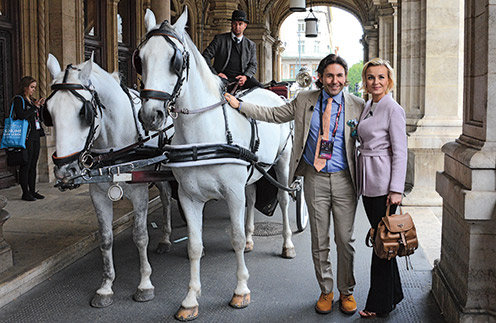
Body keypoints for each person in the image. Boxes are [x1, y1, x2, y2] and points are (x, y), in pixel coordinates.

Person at [224, 54, 365, 315]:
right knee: (319, 240)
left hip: (346, 179)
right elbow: (273, 114)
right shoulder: (303, 100)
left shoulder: (358, 105)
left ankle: (347, 291)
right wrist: (239, 105)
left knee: (345, 240)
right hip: (315, 179)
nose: (335, 81)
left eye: (340, 76)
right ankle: (326, 290)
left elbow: (376, 138)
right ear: (320, 78)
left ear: (345, 79)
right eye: (330, 76)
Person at [355, 58, 407, 318]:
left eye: (381, 77)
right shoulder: (368, 105)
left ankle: (379, 303)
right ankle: (394, 294)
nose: (375, 82)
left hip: (385, 186)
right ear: (365, 81)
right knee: (384, 242)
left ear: (389, 80)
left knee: (381, 245)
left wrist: (396, 189)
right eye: (371, 77)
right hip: (368, 182)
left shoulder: (392, 108)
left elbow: (400, 152)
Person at [202, 9, 263, 91]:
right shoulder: (220, 39)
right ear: (231, 24)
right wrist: (215, 74)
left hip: (242, 78)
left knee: (261, 90)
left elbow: (253, 65)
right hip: (222, 78)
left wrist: (245, 77)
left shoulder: (251, 45)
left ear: (245, 26)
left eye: (240, 24)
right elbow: (205, 56)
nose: (237, 27)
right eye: (235, 24)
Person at [12, 76, 45, 201]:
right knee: (26, 164)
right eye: (31, 87)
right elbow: (21, 115)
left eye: (34, 88)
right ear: (25, 87)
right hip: (25, 137)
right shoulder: (19, 100)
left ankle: (32, 190)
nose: (33, 90)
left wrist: (40, 107)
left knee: (33, 164)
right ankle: (25, 192)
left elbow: (37, 118)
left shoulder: (32, 100)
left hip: (35, 135)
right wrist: (34, 108)